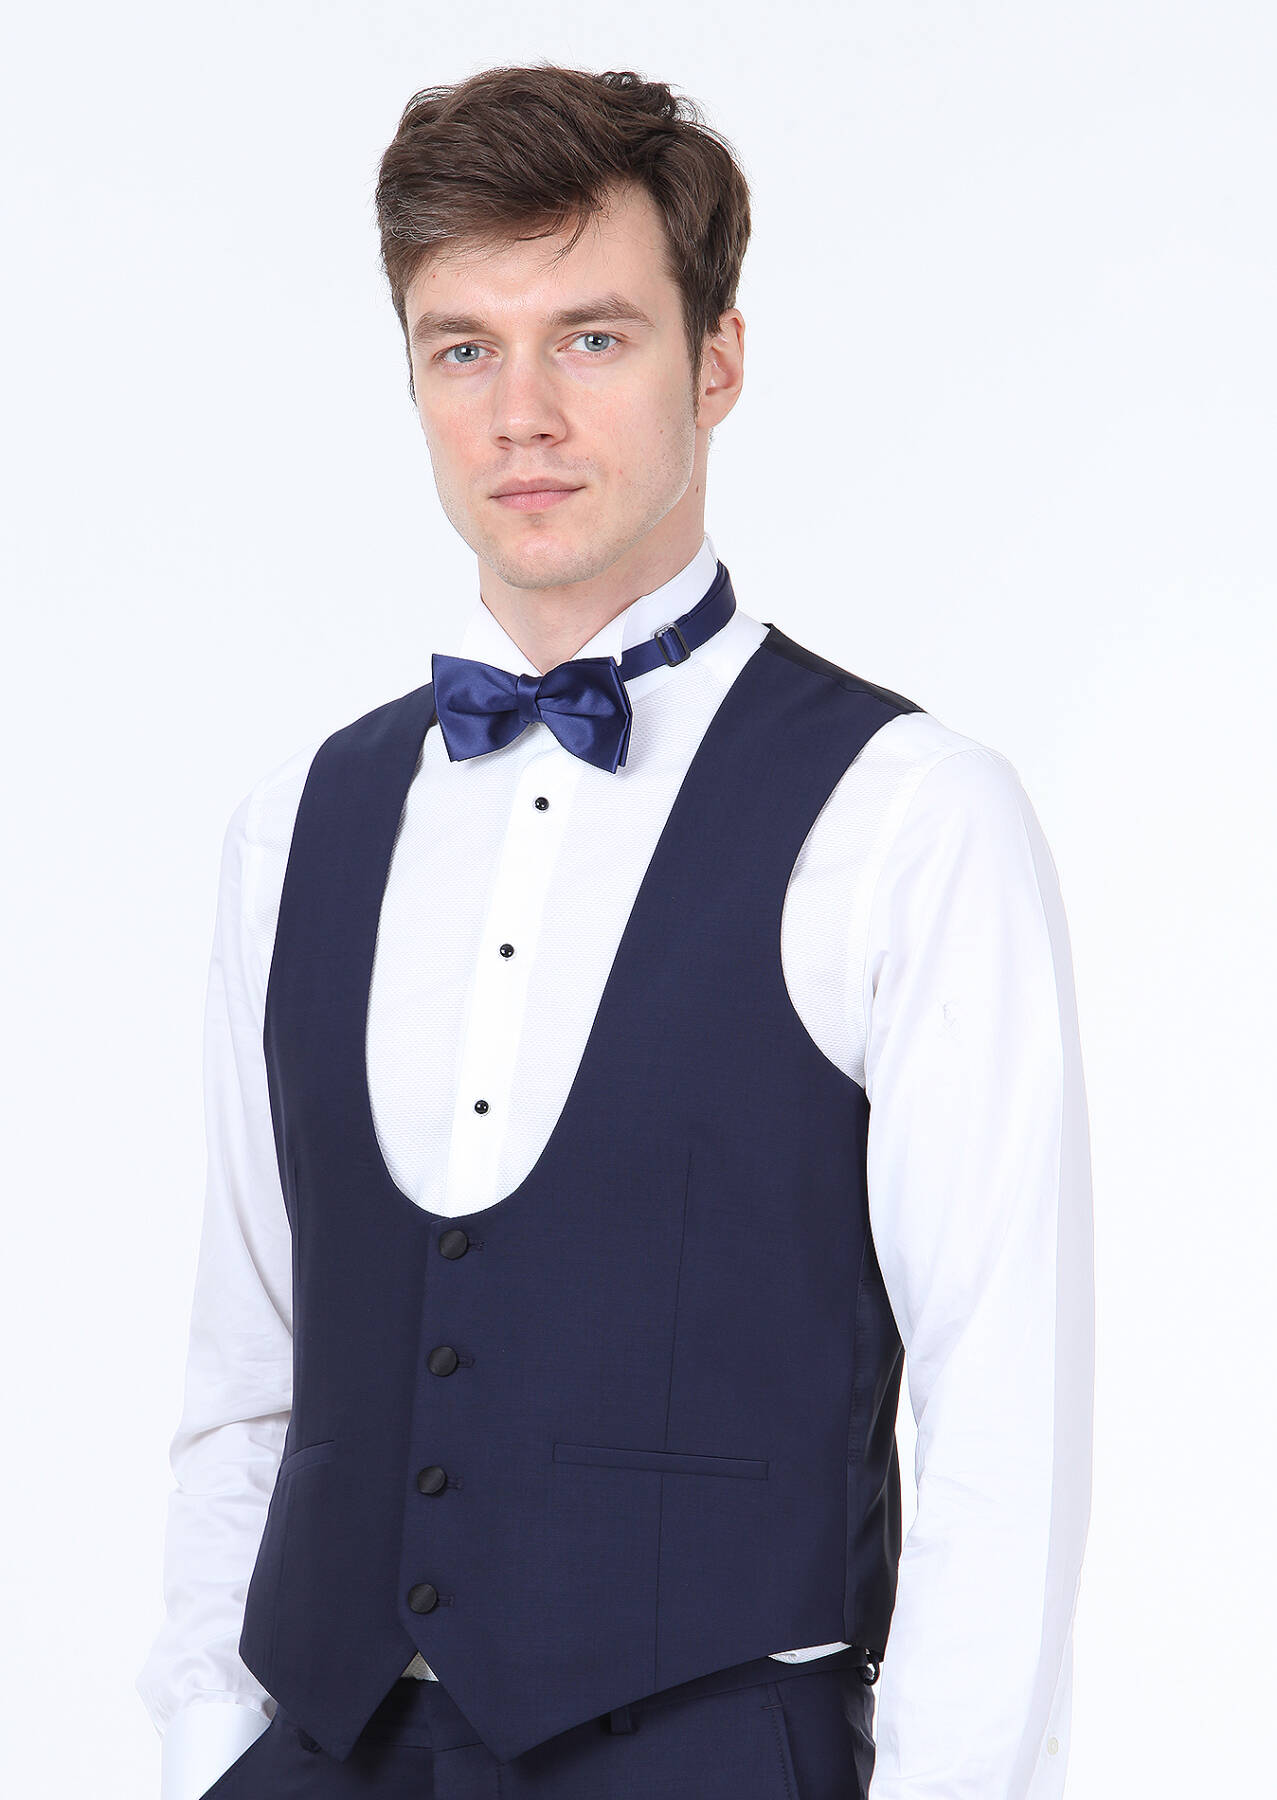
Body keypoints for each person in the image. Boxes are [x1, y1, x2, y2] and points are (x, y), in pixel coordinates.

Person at [135, 63, 1094, 1800]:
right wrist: (212, 1738)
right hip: (318, 1746)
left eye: (590, 337)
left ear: (714, 362)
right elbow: (249, 1363)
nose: (521, 413)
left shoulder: (906, 814)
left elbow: (998, 1412)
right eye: (462, 348)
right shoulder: (295, 825)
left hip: (713, 1751)